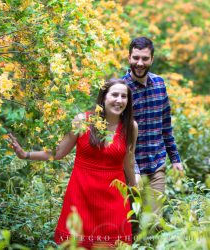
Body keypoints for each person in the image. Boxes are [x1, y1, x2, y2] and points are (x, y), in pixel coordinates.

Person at [9, 79, 138, 249]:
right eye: (114, 94)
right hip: (81, 196)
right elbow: (59, 152)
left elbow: (128, 163)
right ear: (104, 97)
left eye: (124, 96)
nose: (119, 100)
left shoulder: (131, 127)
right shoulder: (82, 121)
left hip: (114, 200)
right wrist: (25, 154)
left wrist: (136, 194)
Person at [122, 37, 183, 210]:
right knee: (131, 225)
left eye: (145, 58)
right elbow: (118, 135)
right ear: (129, 58)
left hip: (156, 165)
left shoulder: (159, 84)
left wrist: (175, 159)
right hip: (128, 168)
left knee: (154, 224)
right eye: (136, 58)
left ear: (152, 59)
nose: (139, 63)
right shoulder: (120, 90)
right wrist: (133, 171)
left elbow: (166, 126)